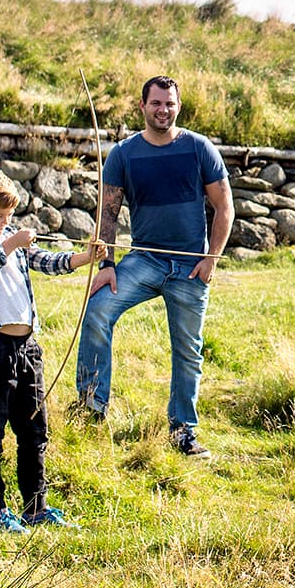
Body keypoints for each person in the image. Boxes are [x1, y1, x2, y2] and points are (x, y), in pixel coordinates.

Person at [75, 75, 233, 457]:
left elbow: (224, 206)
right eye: (156, 103)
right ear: (142, 106)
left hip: (189, 267)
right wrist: (108, 264)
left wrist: (210, 259)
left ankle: (182, 431)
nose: (163, 110)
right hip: (143, 260)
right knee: (96, 311)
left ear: (178, 106)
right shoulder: (124, 154)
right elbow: (108, 212)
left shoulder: (199, 148)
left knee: (188, 350)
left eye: (170, 104)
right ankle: (91, 409)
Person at [0, 167, 90, 532]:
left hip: (26, 348)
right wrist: (10, 243)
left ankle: (35, 507)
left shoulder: (9, 234)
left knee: (34, 431)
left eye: (9, 217)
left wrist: (82, 258)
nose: (4, 223)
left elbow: (44, 260)